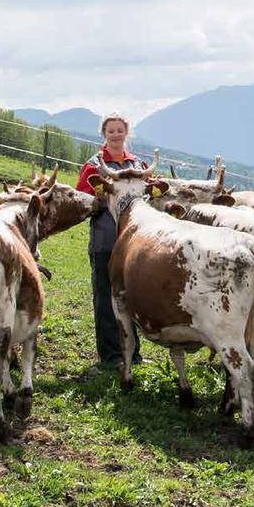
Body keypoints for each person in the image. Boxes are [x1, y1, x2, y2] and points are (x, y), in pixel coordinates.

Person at [75, 113, 146, 368]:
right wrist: (100, 198)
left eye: (120, 130)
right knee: (105, 297)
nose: (116, 134)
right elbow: (81, 197)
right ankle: (111, 355)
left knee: (131, 296)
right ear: (104, 134)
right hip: (105, 238)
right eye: (111, 131)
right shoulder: (94, 164)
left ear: (127, 133)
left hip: (133, 244)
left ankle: (133, 353)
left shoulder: (137, 164)